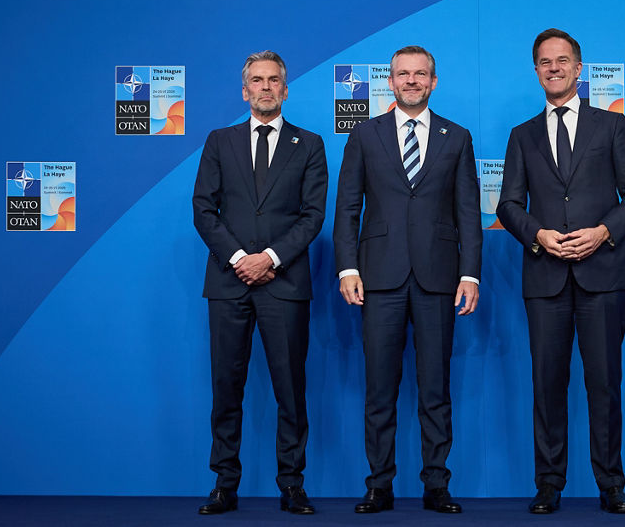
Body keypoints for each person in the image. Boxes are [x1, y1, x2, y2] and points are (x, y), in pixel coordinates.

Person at [496, 29, 625, 516]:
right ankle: (548, 485)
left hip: (602, 274)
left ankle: (611, 485)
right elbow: (506, 203)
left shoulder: (612, 127)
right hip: (544, 277)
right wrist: (537, 234)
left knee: (604, 383)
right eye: (545, 62)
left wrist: (604, 232)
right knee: (547, 385)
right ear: (536, 70)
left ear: (579, 69)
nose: (554, 68)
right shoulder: (522, 135)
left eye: (563, 61)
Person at [334, 45, 482, 515]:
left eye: (421, 74)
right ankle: (379, 484)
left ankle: (436, 484)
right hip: (378, 278)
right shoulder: (363, 135)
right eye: (403, 74)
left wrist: (470, 272)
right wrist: (348, 267)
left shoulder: (456, 137)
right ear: (391, 82)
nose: (412, 81)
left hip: (439, 278)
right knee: (380, 388)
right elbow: (347, 208)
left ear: (433, 82)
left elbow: (467, 213)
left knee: (435, 388)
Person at [192, 51, 328, 516]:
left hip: (284, 284)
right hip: (229, 284)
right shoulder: (218, 141)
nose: (265, 87)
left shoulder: (308, 144)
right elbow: (203, 210)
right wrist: (238, 259)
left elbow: (313, 216)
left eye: (273, 80)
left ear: (285, 90)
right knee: (226, 386)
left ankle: (292, 484)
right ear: (244, 90)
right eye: (257, 80)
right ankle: (224, 483)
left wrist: (268, 258)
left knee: (290, 388)